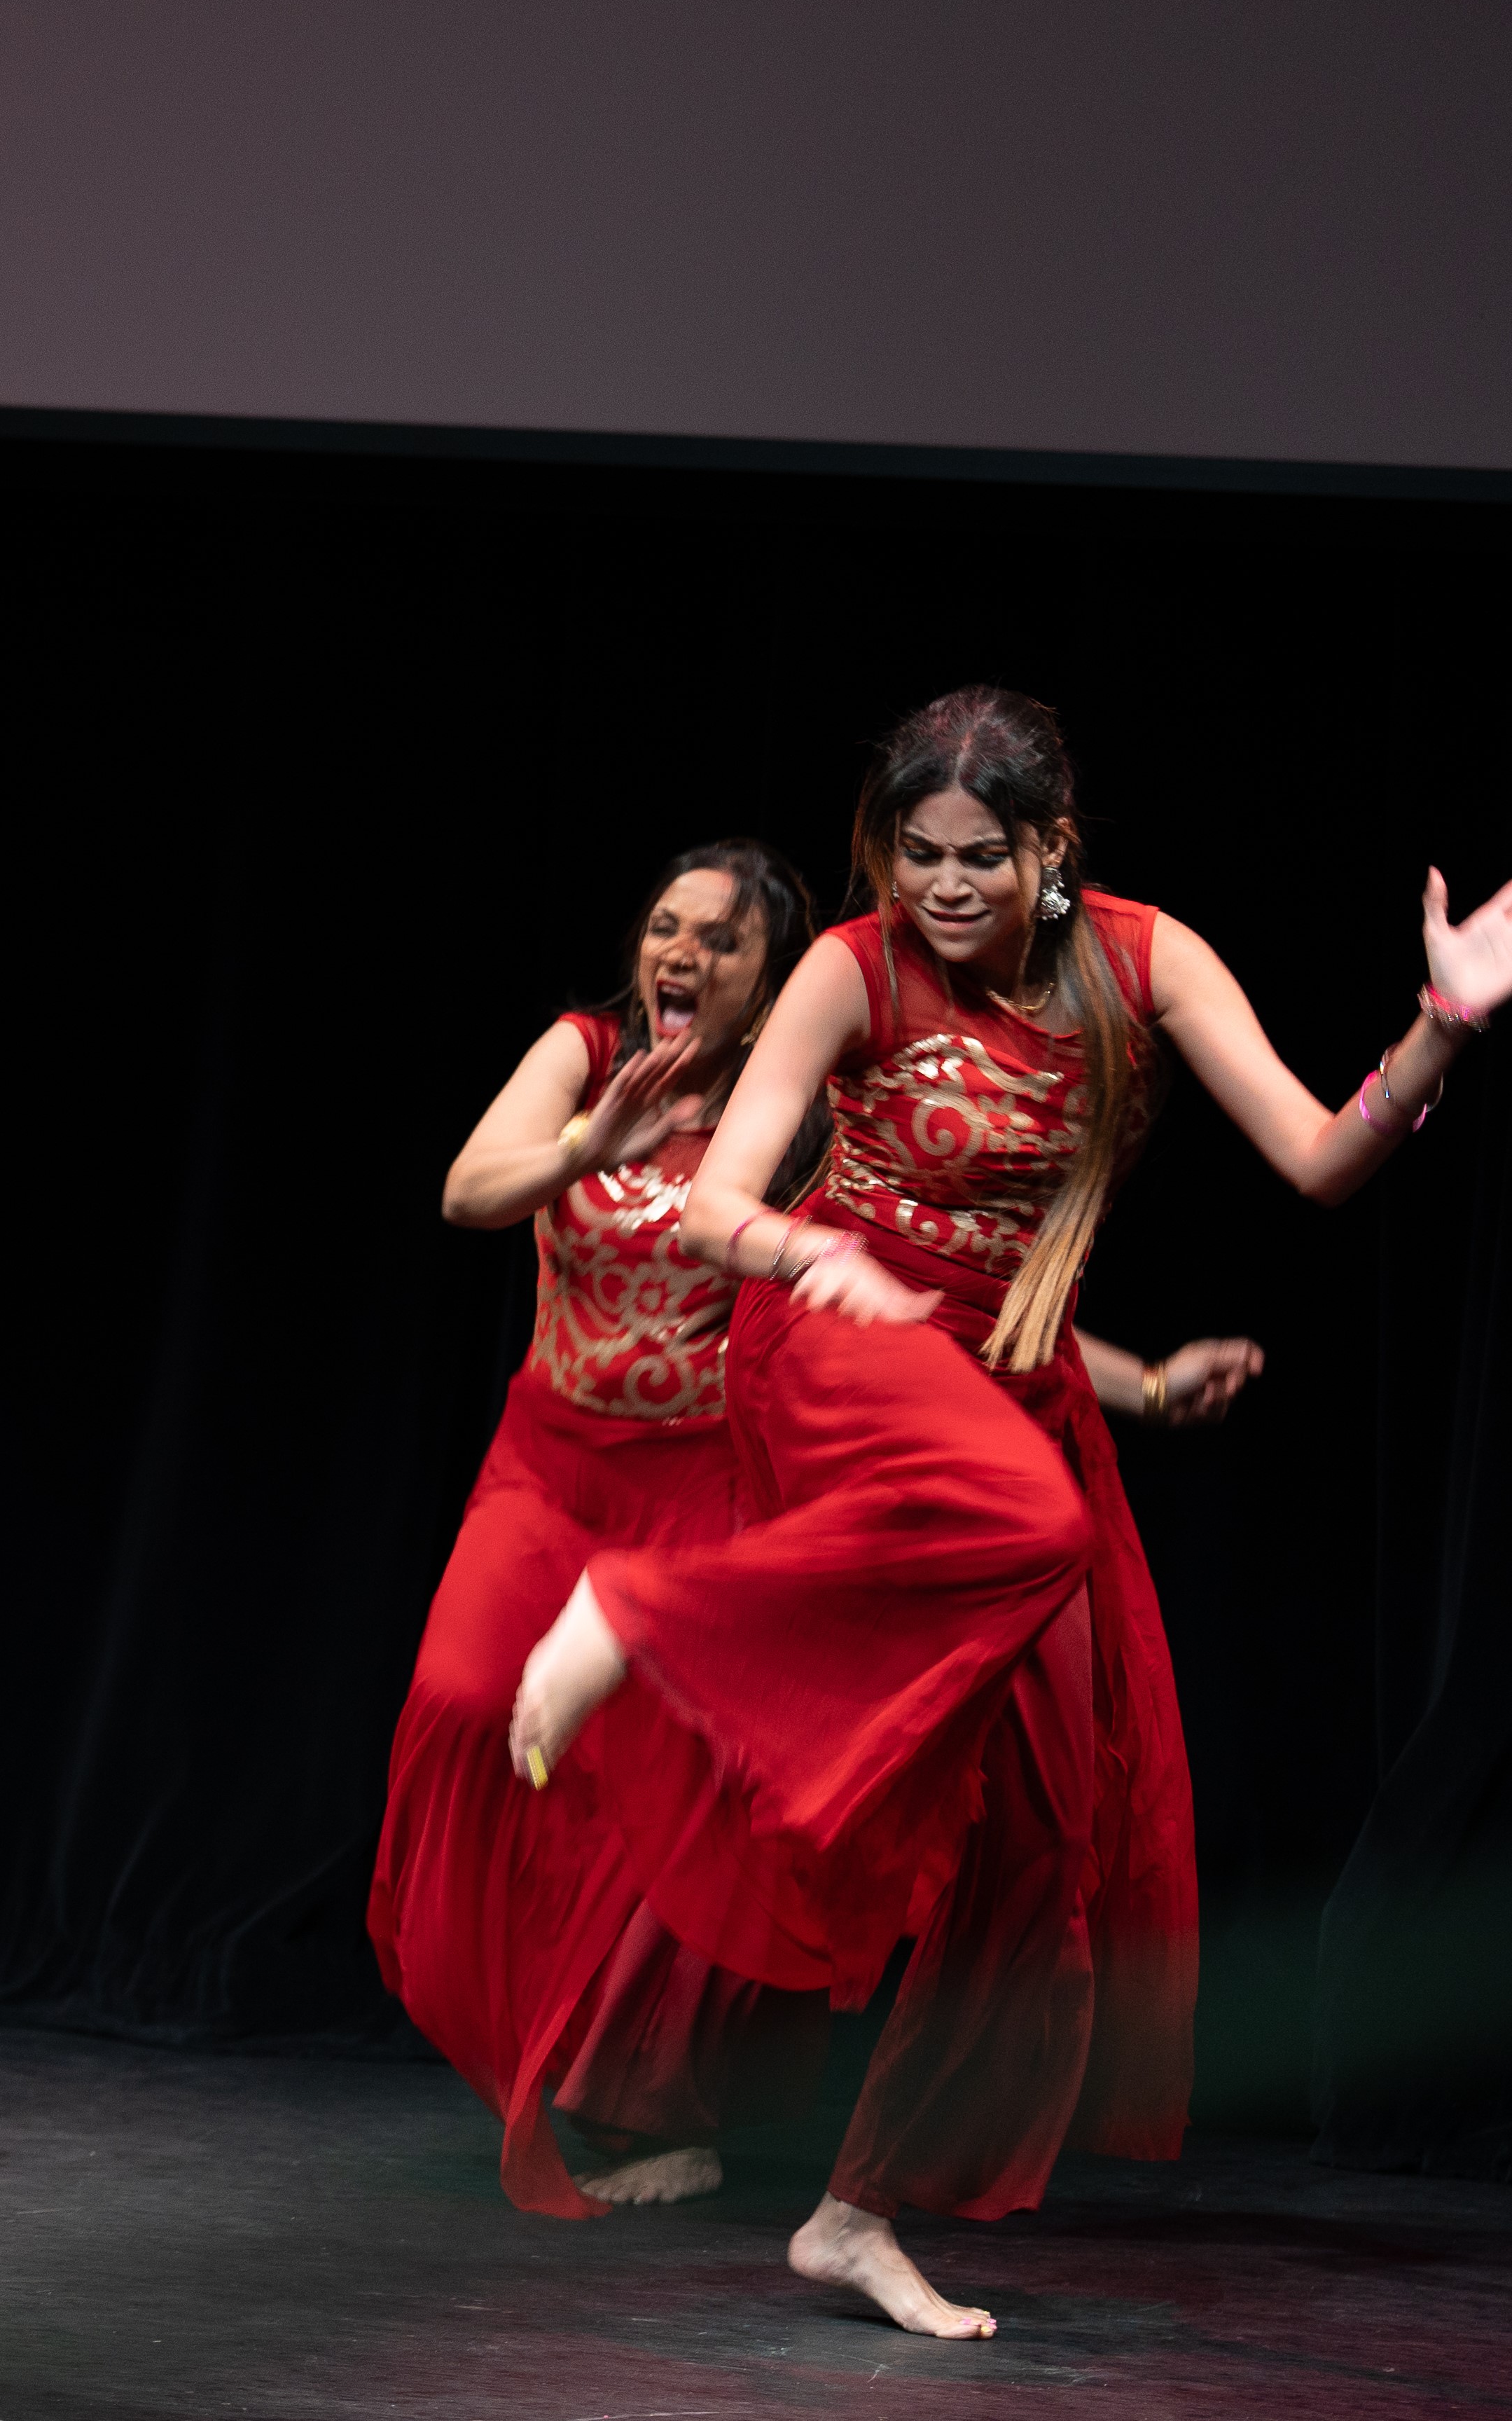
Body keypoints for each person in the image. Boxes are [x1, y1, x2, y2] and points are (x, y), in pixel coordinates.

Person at [512, 685, 1504, 2336]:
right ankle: (634, 1607)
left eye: (982, 855)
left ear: (1053, 846)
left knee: (1046, 1843)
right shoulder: (848, 965)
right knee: (1033, 1520)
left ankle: (859, 2206)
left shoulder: (1143, 959)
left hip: (1008, 1389)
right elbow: (712, 1203)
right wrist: (808, 1252)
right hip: (829, 1343)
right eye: (918, 855)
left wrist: (1446, 1027)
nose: (946, 887)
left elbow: (1325, 1160)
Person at [370, 842, 829, 2214]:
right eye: (667, 927)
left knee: (654, 1798)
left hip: (694, 1493)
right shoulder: (581, 1051)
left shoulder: (791, 1115)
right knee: (466, 1706)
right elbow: (466, 1190)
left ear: (769, 987)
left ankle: (640, 2104)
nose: (681, 955)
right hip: (545, 1465)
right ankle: (531, 2039)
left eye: (722, 942)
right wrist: (592, 1144)